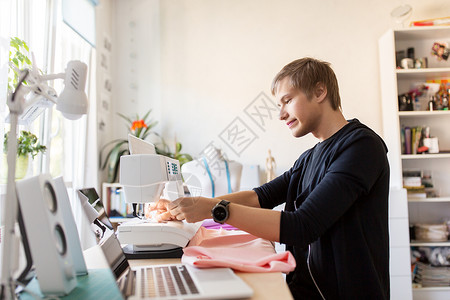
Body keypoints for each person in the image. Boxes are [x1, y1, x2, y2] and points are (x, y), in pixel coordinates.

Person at [150, 57, 390, 299]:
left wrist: (215, 210)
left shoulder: (361, 146)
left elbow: (304, 226)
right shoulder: (309, 158)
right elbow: (260, 197)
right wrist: (193, 206)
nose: (281, 114)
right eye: (279, 104)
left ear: (319, 92)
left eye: (287, 100)